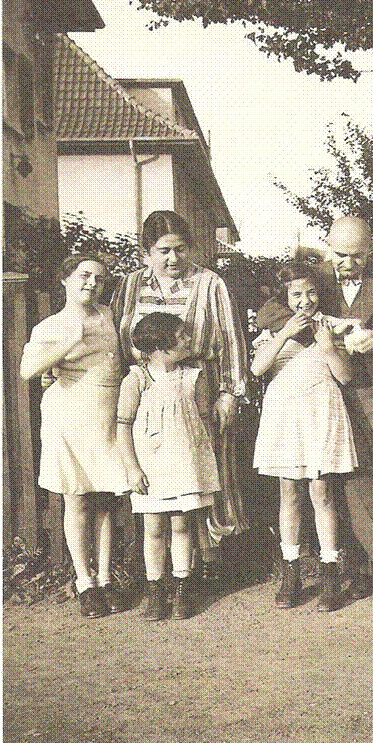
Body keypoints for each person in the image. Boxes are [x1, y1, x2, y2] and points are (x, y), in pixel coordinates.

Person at [258, 217, 373, 601]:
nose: (347, 264)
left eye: (357, 256)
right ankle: (360, 568)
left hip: (371, 390)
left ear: (371, 248)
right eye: (340, 254)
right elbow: (269, 314)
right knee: (333, 486)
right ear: (328, 246)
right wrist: (329, 327)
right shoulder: (316, 278)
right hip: (323, 394)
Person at [111, 211, 249, 588]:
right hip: (147, 395)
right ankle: (159, 572)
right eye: (164, 251)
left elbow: (232, 341)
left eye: (181, 249)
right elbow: (115, 340)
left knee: (203, 473)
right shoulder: (129, 285)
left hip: (198, 389)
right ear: (146, 253)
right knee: (156, 483)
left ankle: (210, 561)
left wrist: (228, 393)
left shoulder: (210, 283)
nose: (174, 258)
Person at [20, 254, 129, 618]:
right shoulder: (50, 326)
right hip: (69, 416)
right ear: (65, 280)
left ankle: (105, 579)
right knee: (77, 498)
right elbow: (27, 370)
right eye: (84, 276)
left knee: (106, 499)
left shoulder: (108, 315)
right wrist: (66, 343)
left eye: (98, 278)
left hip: (107, 415)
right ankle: (85, 583)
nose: (91, 283)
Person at [251, 263, 358, 612]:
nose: (305, 300)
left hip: (321, 410)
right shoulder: (272, 329)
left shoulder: (329, 326)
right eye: (296, 294)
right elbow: (257, 368)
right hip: (285, 413)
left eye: (311, 292)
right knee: (289, 492)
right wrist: (284, 334)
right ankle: (291, 571)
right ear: (284, 296)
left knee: (322, 492)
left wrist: (328, 347)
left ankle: (330, 572)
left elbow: (345, 377)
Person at [116, 312, 220, 620]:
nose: (188, 340)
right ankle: (156, 589)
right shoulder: (136, 379)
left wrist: (202, 463)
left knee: (181, 524)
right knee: (153, 528)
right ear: (161, 347)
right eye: (181, 336)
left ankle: (182, 586)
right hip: (152, 466)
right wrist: (132, 468)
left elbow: (203, 421)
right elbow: (123, 426)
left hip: (185, 463)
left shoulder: (193, 377)